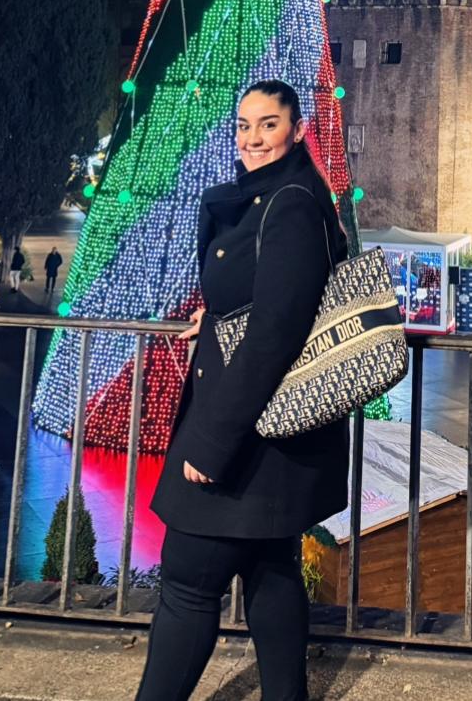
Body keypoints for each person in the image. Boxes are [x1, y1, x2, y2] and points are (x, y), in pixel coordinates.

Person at [137, 79, 348, 701]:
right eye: (243, 125)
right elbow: (265, 301)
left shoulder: (289, 203)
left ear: (297, 129)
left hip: (246, 433)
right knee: (271, 569)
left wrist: (211, 443)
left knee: (186, 586)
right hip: (272, 436)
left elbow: (276, 334)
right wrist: (220, 313)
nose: (252, 138)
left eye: (268, 124)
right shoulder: (278, 197)